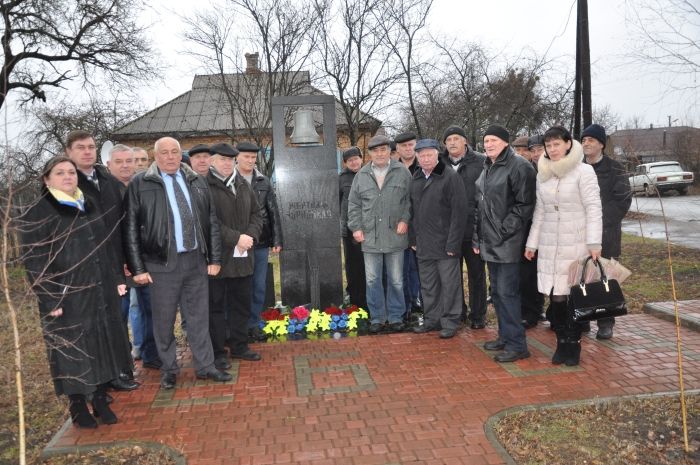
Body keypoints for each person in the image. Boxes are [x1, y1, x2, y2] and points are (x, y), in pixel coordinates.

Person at [20, 156, 131, 428]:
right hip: (67, 295)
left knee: (102, 342)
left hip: (99, 288)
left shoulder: (87, 204)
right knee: (73, 349)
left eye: (71, 172)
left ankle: (100, 397)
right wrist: (51, 297)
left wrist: (116, 277)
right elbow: (35, 260)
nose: (68, 177)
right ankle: (78, 405)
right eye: (60, 173)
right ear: (47, 179)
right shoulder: (40, 211)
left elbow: (106, 246)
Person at [124, 136, 231, 390]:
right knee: (163, 320)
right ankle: (169, 369)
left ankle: (205, 366)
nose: (170, 157)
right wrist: (137, 267)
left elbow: (211, 221)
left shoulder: (196, 180)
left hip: (195, 261)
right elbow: (129, 228)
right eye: (165, 153)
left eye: (175, 152)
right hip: (161, 264)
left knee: (198, 318)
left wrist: (214, 258)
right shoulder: (141, 183)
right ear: (156, 156)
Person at [64, 130, 138, 392]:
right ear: (69, 153)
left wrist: (127, 261)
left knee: (117, 318)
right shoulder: (67, 185)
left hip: (113, 264)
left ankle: (120, 371)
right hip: (84, 267)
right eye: (80, 147)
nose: (87, 151)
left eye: (91, 147)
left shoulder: (108, 181)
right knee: (92, 323)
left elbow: (122, 226)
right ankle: (98, 377)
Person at [525, 126, 602, 366]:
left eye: (557, 144)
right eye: (549, 146)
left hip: (576, 244)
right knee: (556, 297)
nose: (552, 149)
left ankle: (574, 342)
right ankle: (561, 340)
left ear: (568, 144)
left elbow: (593, 208)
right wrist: (532, 243)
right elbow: (540, 211)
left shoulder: (583, 171)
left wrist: (594, 242)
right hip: (550, 243)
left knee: (574, 297)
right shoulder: (543, 173)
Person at [473, 125, 536, 363]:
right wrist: (477, 236)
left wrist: (503, 231)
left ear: (506, 143)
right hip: (490, 243)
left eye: (493, 140)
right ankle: (505, 336)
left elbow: (525, 205)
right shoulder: (487, 167)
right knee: (497, 294)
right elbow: (480, 205)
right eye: (486, 140)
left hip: (508, 243)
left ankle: (518, 344)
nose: (488, 144)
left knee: (508, 294)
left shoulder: (519, 166)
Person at [348, 134, 412, 333]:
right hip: (370, 236)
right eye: (375, 150)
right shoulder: (362, 175)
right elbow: (354, 204)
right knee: (372, 279)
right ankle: (377, 317)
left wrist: (405, 219)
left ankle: (395, 316)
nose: (380, 153)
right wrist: (356, 227)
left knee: (396, 279)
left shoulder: (402, 172)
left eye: (383, 149)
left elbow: (411, 200)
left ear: (389, 151)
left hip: (395, 234)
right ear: (370, 153)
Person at [207, 142, 263, 366]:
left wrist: (249, 235)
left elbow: (257, 213)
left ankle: (239, 346)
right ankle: (218, 352)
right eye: (222, 159)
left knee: (241, 304)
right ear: (212, 161)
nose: (227, 163)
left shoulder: (242, 184)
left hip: (243, 257)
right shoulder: (204, 185)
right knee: (217, 308)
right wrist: (236, 238)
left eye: (230, 160)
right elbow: (208, 221)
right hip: (218, 259)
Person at [106, 144, 161, 370]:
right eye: (119, 162)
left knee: (152, 311)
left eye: (129, 161)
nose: (126, 165)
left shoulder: (144, 186)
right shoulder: (104, 193)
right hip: (118, 267)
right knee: (118, 316)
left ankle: (151, 354)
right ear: (109, 165)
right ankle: (122, 364)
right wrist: (121, 260)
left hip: (146, 261)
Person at [410, 139, 467, 338]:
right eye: (421, 155)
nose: (425, 158)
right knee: (428, 285)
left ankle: (451, 321)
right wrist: (413, 239)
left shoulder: (450, 177)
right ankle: (432, 320)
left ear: (437, 155)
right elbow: (412, 211)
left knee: (450, 285)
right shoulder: (416, 178)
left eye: (429, 154)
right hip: (423, 244)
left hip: (445, 244)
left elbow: (459, 213)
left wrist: (453, 243)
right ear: (417, 157)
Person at [581, 123, 632, 340]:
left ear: (601, 144)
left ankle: (605, 321)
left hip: (606, 234)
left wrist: (597, 223)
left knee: (605, 279)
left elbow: (622, 201)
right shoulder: (577, 167)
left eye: (591, 140)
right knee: (580, 276)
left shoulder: (615, 169)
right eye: (583, 140)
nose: (586, 143)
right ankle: (582, 317)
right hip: (579, 233)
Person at [440, 125, 487, 329]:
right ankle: (458, 312)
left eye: (456, 138)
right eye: (448, 139)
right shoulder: (439, 163)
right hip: (449, 231)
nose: (452, 143)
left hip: (474, 228)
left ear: (465, 141)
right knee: (452, 275)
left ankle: (478, 315)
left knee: (477, 274)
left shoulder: (481, 162)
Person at [235, 142, 283, 342]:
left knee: (259, 286)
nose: (250, 160)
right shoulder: (229, 180)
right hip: (237, 243)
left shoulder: (263, 181)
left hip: (261, 242)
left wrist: (277, 238)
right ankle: (238, 327)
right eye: (246, 156)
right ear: (237, 157)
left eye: (253, 157)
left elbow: (273, 210)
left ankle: (253, 324)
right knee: (239, 285)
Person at [519, 135, 546, 329]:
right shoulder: (528, 171)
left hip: (553, 230)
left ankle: (549, 310)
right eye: (533, 150)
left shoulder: (553, 169)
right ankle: (531, 311)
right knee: (529, 272)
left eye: (539, 149)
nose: (536, 154)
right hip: (530, 229)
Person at [394, 132, 422, 318]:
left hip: (421, 225)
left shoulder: (425, 165)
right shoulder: (392, 169)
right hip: (400, 226)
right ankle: (405, 305)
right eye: (403, 146)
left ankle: (418, 299)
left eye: (411, 145)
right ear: (397, 149)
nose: (407, 148)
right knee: (401, 268)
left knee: (419, 267)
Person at [339, 146, 367, 308]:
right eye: (350, 160)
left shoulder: (368, 174)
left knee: (367, 264)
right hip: (349, 230)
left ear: (361, 159)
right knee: (352, 264)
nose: (354, 162)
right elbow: (337, 202)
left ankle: (367, 296)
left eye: (356, 158)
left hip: (369, 228)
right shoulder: (341, 178)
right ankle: (354, 296)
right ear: (345, 163)